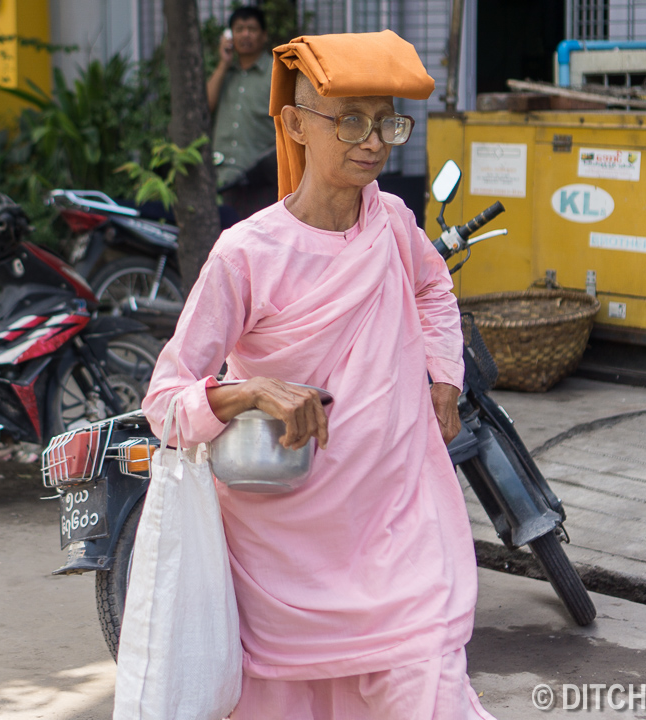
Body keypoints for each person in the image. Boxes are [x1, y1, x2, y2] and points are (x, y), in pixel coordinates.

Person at [143, 30, 497, 720]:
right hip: (284, 565)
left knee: (431, 689)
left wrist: (443, 378)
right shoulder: (245, 253)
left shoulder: (392, 221)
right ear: (296, 124)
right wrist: (246, 391)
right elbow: (164, 402)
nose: (374, 142)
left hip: (400, 530)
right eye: (352, 122)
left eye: (387, 122)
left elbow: (433, 291)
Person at [206, 6, 277, 219]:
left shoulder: (276, 73)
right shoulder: (225, 74)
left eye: (252, 29)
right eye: (239, 29)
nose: (245, 34)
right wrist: (223, 64)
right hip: (222, 179)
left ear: (264, 35)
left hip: (260, 182)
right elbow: (205, 108)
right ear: (229, 36)